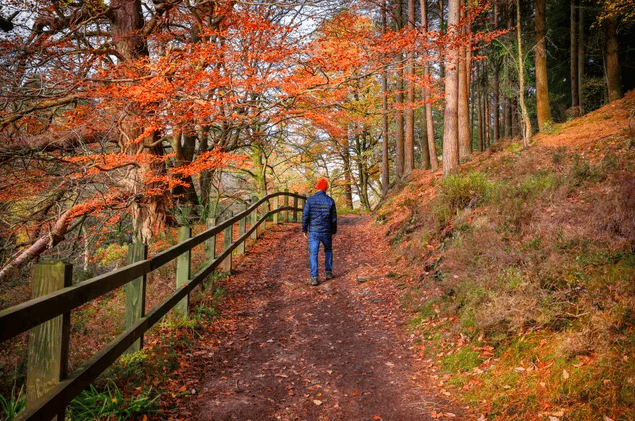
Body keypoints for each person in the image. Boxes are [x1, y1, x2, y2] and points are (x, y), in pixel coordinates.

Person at [302, 177, 337, 286]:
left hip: (314, 231)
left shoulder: (310, 200)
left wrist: (304, 229)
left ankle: (314, 277)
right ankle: (328, 272)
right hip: (326, 231)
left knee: (313, 253)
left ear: (317, 186)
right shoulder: (330, 200)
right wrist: (334, 231)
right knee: (328, 250)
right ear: (326, 187)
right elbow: (334, 219)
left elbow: (305, 215)